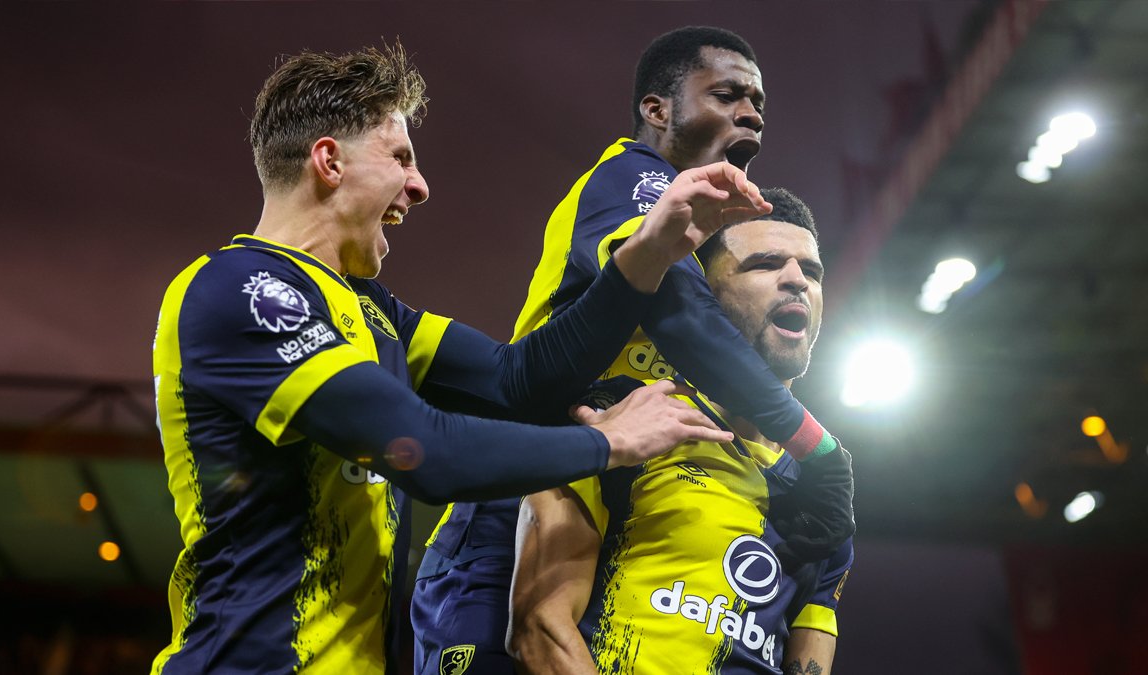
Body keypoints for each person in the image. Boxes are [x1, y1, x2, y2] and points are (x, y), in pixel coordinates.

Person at [149, 44, 773, 674]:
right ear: (329, 161)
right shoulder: (240, 288)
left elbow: (519, 382)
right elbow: (424, 453)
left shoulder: (374, 312)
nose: (419, 186)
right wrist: (608, 443)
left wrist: (646, 256)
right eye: (400, 158)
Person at [412, 26, 853, 675]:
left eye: (758, 100)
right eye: (727, 94)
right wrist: (816, 446)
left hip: (587, 482)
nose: (752, 112)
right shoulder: (632, 177)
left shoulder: (695, 225)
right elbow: (680, 312)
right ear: (657, 109)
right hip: (511, 504)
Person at [508, 188, 853, 674]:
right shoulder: (623, 418)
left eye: (812, 272)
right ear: (704, 291)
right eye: (765, 264)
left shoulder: (823, 500)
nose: (797, 280)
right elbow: (540, 629)